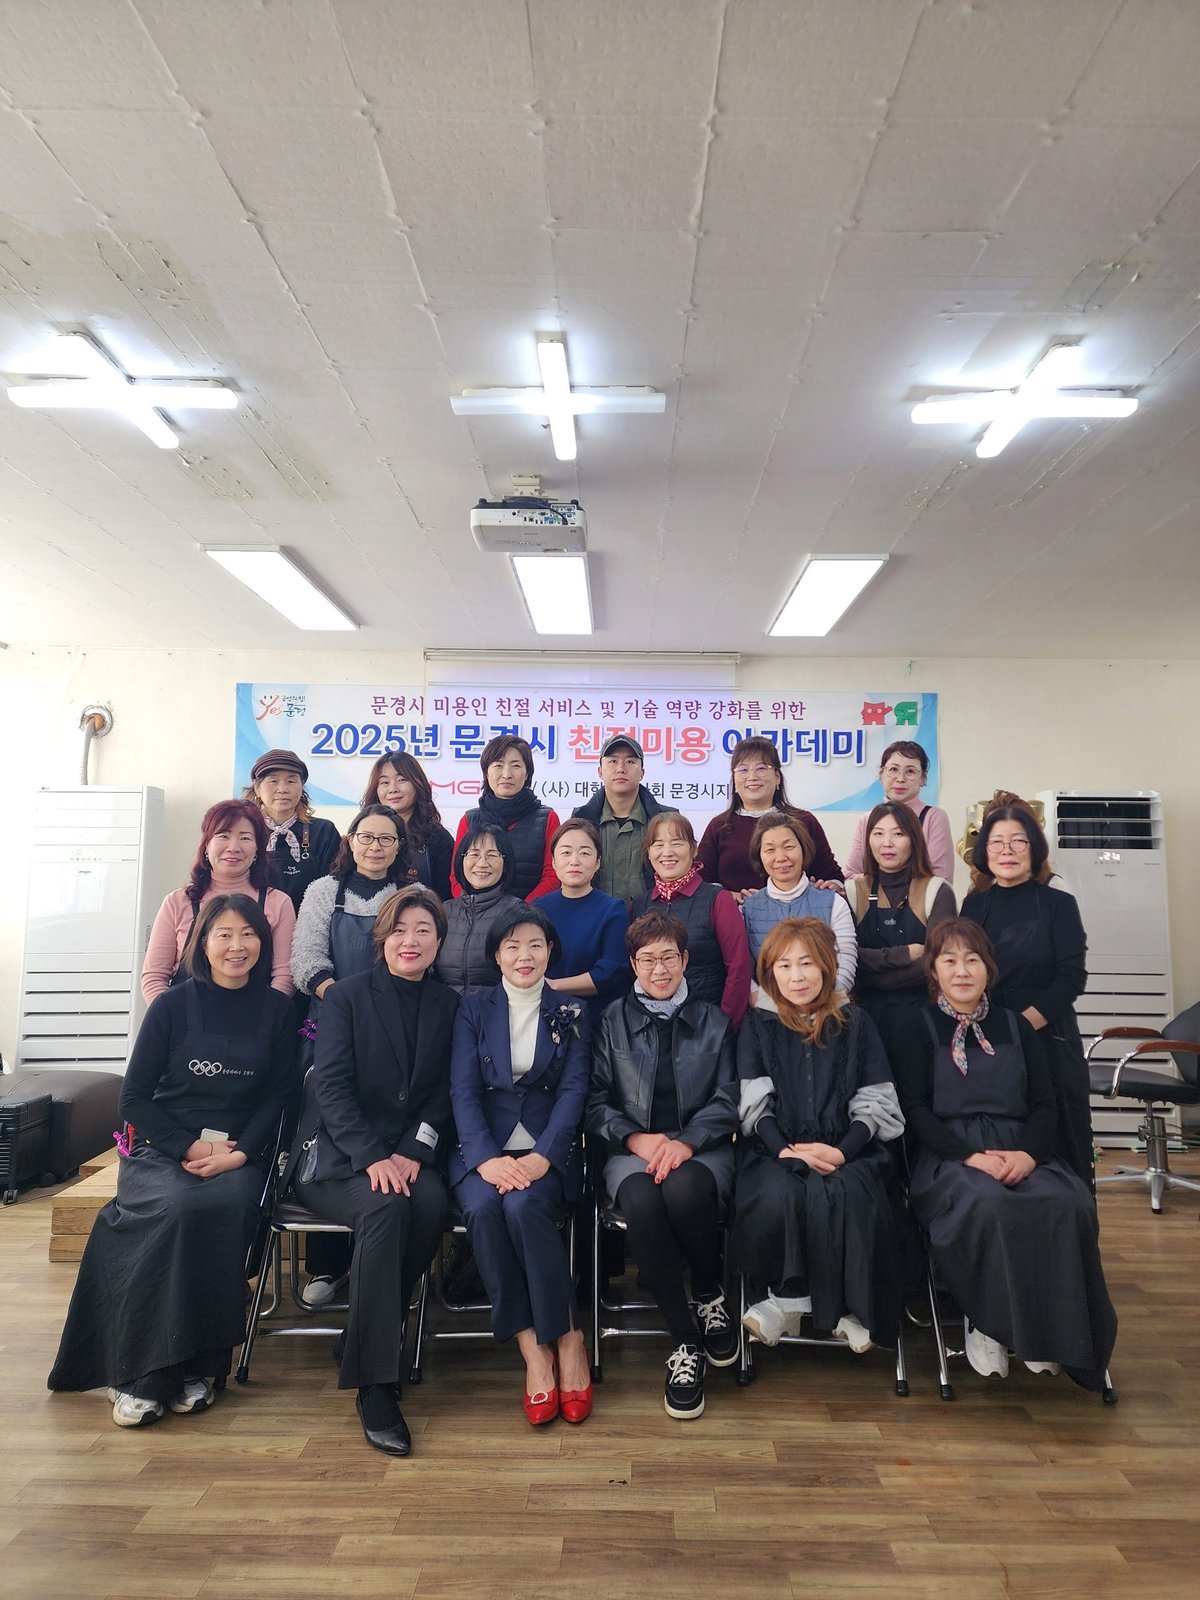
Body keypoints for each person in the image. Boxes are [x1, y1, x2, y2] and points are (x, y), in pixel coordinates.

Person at [49, 895, 295, 1425]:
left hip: (237, 1155)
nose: (236, 946)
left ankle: (197, 1368)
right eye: (223, 934)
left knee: (220, 1208)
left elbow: (279, 1097)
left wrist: (241, 1154)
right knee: (176, 1209)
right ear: (201, 943)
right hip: (163, 1148)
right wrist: (188, 1146)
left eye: (248, 934)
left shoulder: (279, 1011)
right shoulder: (171, 1006)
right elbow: (133, 1099)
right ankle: (139, 1376)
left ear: (263, 941)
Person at [894, 918, 1116, 1389]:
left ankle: (1054, 1335)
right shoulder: (914, 1025)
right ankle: (988, 1323)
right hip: (950, 1156)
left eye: (972, 960)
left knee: (1068, 1203)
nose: (962, 971)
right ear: (933, 970)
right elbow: (914, 1109)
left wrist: (1029, 1156)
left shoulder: (1016, 1025)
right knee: (989, 1204)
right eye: (950, 960)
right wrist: (970, 1157)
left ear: (988, 968)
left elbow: (1045, 1104)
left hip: (1021, 1147)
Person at [287, 886, 459, 1456]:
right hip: (340, 1158)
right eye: (400, 930)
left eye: (424, 930)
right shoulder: (347, 997)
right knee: (385, 1207)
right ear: (383, 937)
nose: (411, 941)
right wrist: (372, 1156)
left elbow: (444, 1094)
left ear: (439, 941)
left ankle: (360, 1334)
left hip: (406, 1154)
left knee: (431, 1203)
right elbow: (330, 1088)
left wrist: (414, 1150)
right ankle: (375, 1384)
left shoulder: (448, 1004)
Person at [586, 912, 740, 1419]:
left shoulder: (715, 1020)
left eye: (668, 957)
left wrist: (688, 1141)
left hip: (702, 1147)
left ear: (685, 960)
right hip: (632, 1148)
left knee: (684, 1190)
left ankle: (709, 1290)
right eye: (648, 959)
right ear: (633, 964)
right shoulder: (611, 1021)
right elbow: (594, 1101)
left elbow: (728, 1098)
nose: (659, 969)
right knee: (642, 1200)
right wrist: (635, 1138)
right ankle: (685, 1339)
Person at [732, 918, 906, 1355]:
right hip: (775, 1147)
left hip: (850, 1146)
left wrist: (842, 1152)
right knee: (780, 1193)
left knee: (850, 1194)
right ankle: (786, 1300)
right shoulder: (757, 1023)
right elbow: (754, 1101)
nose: (797, 976)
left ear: (827, 966)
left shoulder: (855, 1021)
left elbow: (875, 1099)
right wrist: (785, 1151)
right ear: (769, 972)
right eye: (784, 965)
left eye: (807, 963)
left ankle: (852, 1309)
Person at [450, 904, 593, 1425]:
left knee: (524, 1208)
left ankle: (570, 1339)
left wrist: (543, 1156)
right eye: (511, 946)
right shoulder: (472, 1009)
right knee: (484, 1210)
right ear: (497, 955)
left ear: (550, 950)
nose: (524, 955)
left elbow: (574, 1091)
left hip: (545, 1151)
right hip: (482, 1151)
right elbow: (463, 1090)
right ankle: (533, 1349)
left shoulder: (573, 1011)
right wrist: (486, 1159)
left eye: (534, 944)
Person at [290, 803, 412, 1308]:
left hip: (395, 1029)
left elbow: (417, 960)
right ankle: (327, 1264)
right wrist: (348, 1005)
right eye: (367, 837)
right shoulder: (323, 891)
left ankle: (381, 1263)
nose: (375, 847)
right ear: (351, 840)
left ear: (400, 847)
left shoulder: (410, 896)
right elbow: (305, 961)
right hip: (331, 1023)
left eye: (387, 839)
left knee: (383, 1128)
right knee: (331, 1137)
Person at [961, 804, 1094, 1189]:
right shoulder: (974, 905)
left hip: (1048, 1036)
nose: (1007, 851)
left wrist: (1022, 1026)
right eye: (997, 842)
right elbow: (963, 972)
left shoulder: (1058, 904)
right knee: (998, 1146)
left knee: (1062, 1142)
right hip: (988, 1039)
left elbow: (1072, 978)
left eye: (1018, 841)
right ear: (984, 851)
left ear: (1034, 848)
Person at [141, 800, 295, 1002]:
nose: (233, 847)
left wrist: (267, 1015)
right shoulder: (177, 902)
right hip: (185, 1017)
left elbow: (284, 977)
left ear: (258, 848)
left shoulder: (278, 903)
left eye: (245, 838)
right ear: (206, 845)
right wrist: (170, 1016)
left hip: (258, 1017)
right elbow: (154, 977)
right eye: (223, 836)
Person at [849, 801, 956, 1055]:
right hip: (864, 1015)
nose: (887, 843)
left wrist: (874, 971)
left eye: (898, 834)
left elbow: (937, 962)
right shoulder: (852, 891)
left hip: (923, 1016)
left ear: (914, 839)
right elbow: (848, 958)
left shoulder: (937, 891)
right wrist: (905, 954)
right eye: (878, 833)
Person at [631, 812, 751, 1027]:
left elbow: (739, 969)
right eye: (658, 844)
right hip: (651, 1028)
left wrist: (724, 1027)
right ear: (648, 853)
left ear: (694, 849)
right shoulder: (639, 905)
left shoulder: (718, 899)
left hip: (707, 1025)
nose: (667, 852)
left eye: (677, 843)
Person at [697, 736, 843, 902]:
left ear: (777, 777)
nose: (752, 776)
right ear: (735, 782)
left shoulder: (803, 821)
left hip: (796, 914)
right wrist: (728, 896)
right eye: (743, 770)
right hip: (736, 913)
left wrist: (832, 885)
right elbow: (702, 881)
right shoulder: (719, 826)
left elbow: (832, 875)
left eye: (761, 768)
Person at [741, 813, 857, 992]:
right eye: (770, 850)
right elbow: (742, 969)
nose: (781, 857)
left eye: (789, 847)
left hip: (827, 1003)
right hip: (766, 1006)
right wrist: (766, 1002)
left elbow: (846, 964)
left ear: (804, 849)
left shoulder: (833, 902)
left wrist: (820, 1002)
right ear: (759, 856)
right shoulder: (747, 909)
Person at [538, 820, 630, 1022]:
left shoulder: (613, 910)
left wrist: (553, 985)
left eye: (585, 853)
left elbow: (610, 973)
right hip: (543, 1016)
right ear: (553, 862)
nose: (574, 861)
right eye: (566, 852)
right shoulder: (538, 910)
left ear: (597, 862)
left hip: (598, 1021)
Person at [449, 735, 559, 902]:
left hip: (531, 913)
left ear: (527, 773)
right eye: (498, 765)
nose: (507, 774)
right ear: (486, 772)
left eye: (516, 766)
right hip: (476, 914)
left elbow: (552, 875)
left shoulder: (547, 818)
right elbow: (456, 876)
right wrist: (474, 908)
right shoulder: (469, 820)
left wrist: (523, 910)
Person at [570, 734, 675, 903]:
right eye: (613, 761)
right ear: (600, 771)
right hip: (595, 915)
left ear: (642, 773)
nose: (621, 768)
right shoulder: (581, 819)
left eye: (630, 761)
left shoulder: (666, 820)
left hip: (652, 916)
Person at [243, 748, 340, 912]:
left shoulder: (324, 831)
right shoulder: (245, 830)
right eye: (273, 781)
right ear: (257, 789)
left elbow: (332, 888)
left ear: (302, 787)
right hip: (251, 922)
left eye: (291, 781)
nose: (282, 789)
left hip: (309, 922)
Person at [844, 741, 955, 881]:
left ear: (923, 778)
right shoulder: (866, 820)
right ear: (881, 775)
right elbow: (850, 876)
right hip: (872, 896)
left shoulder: (934, 817)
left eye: (910, 771)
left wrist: (883, 882)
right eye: (893, 769)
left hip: (920, 896)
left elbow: (940, 880)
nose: (901, 779)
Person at [436, 826, 523, 995]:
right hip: (446, 1008)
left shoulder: (517, 912)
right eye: (474, 854)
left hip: (495, 1008)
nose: (482, 863)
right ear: (462, 860)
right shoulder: (444, 911)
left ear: (505, 864)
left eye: (492, 855)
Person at [361, 751, 454, 900]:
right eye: (384, 782)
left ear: (418, 784)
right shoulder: (362, 832)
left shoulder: (439, 838)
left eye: (402, 780)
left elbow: (445, 898)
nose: (393, 789)